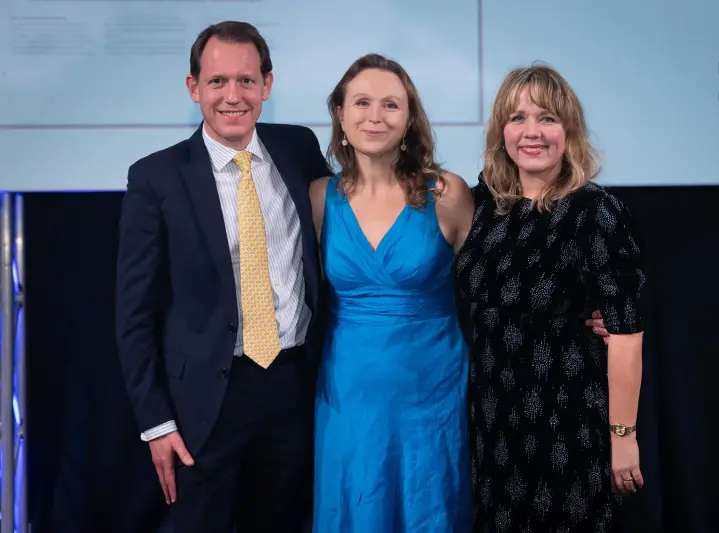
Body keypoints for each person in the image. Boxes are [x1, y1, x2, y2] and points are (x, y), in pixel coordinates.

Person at [115, 21, 329, 533]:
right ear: (194, 88)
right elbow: (133, 313)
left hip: (295, 390)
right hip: (201, 408)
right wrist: (156, 423)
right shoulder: (156, 176)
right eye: (217, 82)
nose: (232, 96)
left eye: (246, 81)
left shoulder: (299, 148)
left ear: (267, 85)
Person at [453, 63, 646, 532]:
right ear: (502, 131)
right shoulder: (481, 206)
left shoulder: (595, 210)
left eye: (547, 118)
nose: (532, 132)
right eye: (518, 118)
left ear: (569, 130)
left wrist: (623, 437)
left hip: (570, 424)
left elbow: (626, 337)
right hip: (492, 425)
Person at [308, 54, 475, 532]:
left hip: (433, 395)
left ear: (409, 120)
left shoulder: (448, 194)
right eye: (361, 103)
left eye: (390, 105)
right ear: (341, 115)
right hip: (348, 396)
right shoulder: (319, 197)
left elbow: (495, 284)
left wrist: (582, 311)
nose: (375, 116)